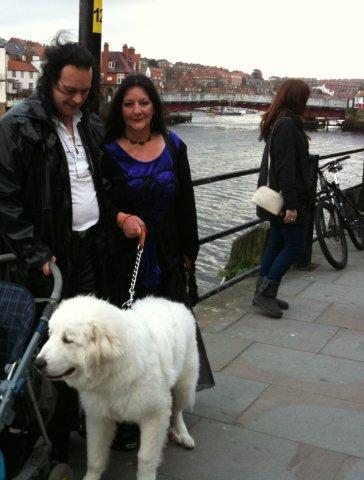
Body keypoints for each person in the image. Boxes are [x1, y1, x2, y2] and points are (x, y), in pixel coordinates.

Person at [0, 36, 106, 461]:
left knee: (81, 344)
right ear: (48, 81)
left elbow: (97, 181)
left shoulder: (89, 121)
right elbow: (0, 195)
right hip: (45, 261)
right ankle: (34, 435)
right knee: (38, 349)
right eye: (68, 90)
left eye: (85, 91)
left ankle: (68, 424)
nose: (77, 98)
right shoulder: (16, 126)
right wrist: (35, 252)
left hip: (88, 250)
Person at [101, 74, 215, 449]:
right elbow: (99, 202)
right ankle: (130, 417)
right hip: (125, 256)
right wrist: (121, 218)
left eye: (144, 103)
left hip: (166, 251)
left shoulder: (174, 145)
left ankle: (170, 406)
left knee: (169, 334)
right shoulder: (107, 150)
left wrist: (189, 252)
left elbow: (186, 200)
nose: (137, 111)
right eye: (129, 104)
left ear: (154, 107)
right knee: (131, 337)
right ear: (120, 108)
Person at [253, 79, 312, 319]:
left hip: (276, 196)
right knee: (296, 245)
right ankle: (266, 293)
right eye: (305, 98)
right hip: (285, 198)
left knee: (276, 243)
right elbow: (287, 168)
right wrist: (292, 205)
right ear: (298, 100)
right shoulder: (288, 125)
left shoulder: (279, 121)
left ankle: (262, 290)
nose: (307, 103)